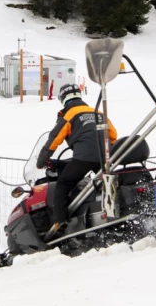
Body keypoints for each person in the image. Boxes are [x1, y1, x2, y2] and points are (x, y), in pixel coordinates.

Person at [36, 83, 117, 233]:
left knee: (64, 183)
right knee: (106, 184)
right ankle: (111, 211)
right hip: (105, 157)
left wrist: (42, 160)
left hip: (83, 157)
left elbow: (54, 139)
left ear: (63, 98)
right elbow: (113, 135)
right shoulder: (98, 112)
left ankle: (60, 221)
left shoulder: (69, 114)